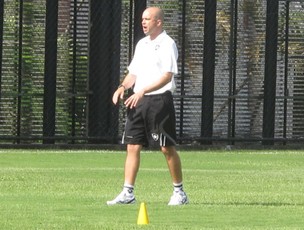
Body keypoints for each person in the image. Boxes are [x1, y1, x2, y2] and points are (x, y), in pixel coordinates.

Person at [107, 6, 188, 206]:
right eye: (142, 19)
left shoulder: (168, 44)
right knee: (132, 146)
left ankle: (179, 193)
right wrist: (122, 87)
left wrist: (142, 91)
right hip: (138, 101)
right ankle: (128, 193)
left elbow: (167, 76)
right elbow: (133, 73)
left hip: (159, 102)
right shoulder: (142, 44)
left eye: (147, 19)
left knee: (166, 148)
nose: (143, 22)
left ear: (158, 22)